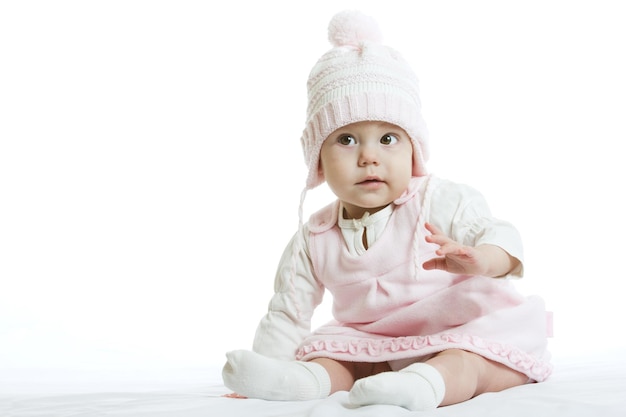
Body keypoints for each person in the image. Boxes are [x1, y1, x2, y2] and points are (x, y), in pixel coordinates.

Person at [221, 10, 552, 411]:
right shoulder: (315, 236)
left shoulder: (440, 199)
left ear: (414, 148)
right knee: (336, 356)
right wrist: (271, 361)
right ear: (318, 162)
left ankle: (426, 385)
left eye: (389, 138)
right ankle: (296, 381)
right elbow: (288, 310)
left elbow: (499, 233)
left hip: (470, 331)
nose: (368, 157)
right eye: (346, 139)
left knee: (466, 364)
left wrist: (483, 260)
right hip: (378, 343)